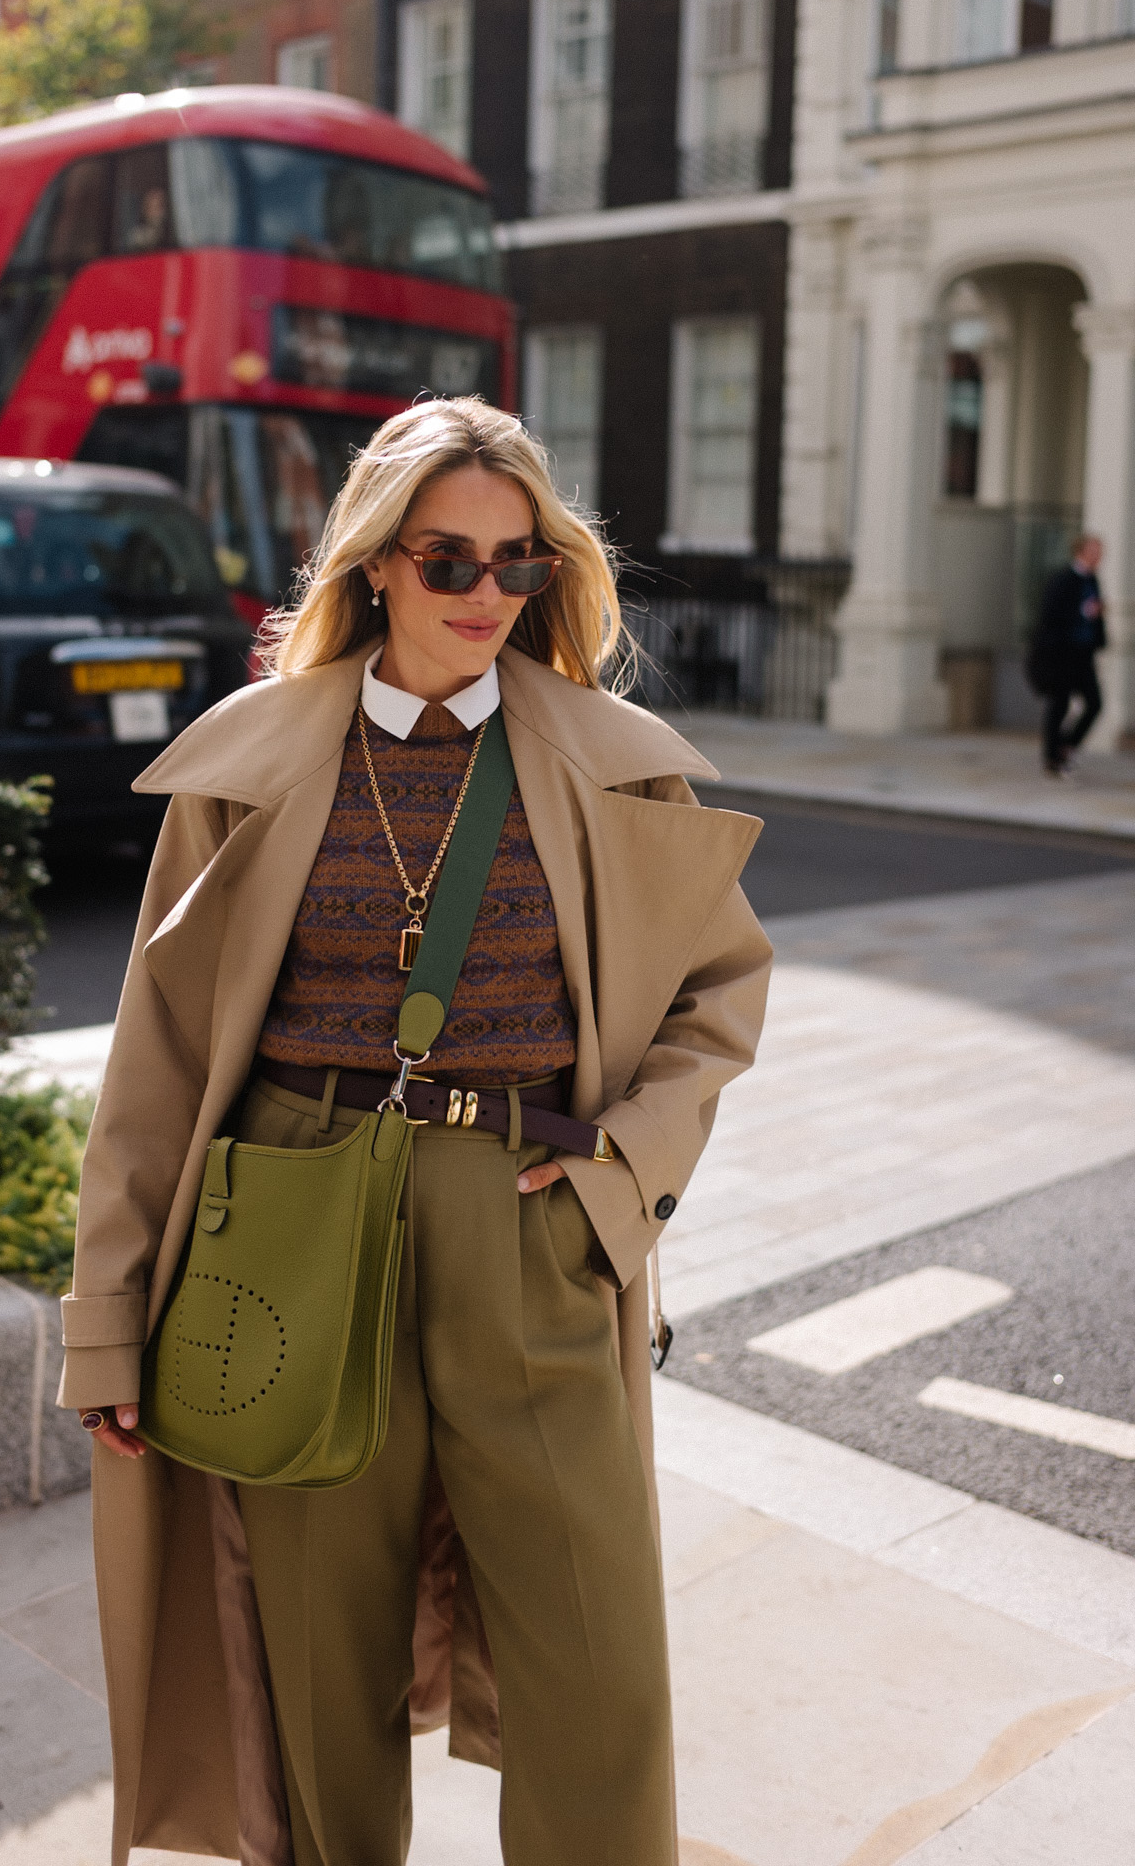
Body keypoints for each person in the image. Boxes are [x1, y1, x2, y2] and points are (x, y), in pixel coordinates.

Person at [59, 395, 772, 1866]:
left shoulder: (609, 758)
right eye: (448, 560)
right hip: (291, 1225)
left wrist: (621, 1170)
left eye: (518, 564)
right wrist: (110, 1321)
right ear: (376, 562)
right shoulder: (249, 764)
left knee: (598, 1666)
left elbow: (720, 991)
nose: (484, 594)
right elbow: (157, 1059)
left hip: (527, 1222)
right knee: (321, 1669)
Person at [1029, 534, 1106, 776]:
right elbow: (1052, 615)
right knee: (1059, 704)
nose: (1099, 556)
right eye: (1095, 551)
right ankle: (1052, 757)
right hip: (1062, 654)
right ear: (1081, 551)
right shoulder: (1062, 579)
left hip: (1083, 654)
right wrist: (1084, 612)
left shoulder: (1093, 579)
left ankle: (1066, 746)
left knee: (1094, 703)